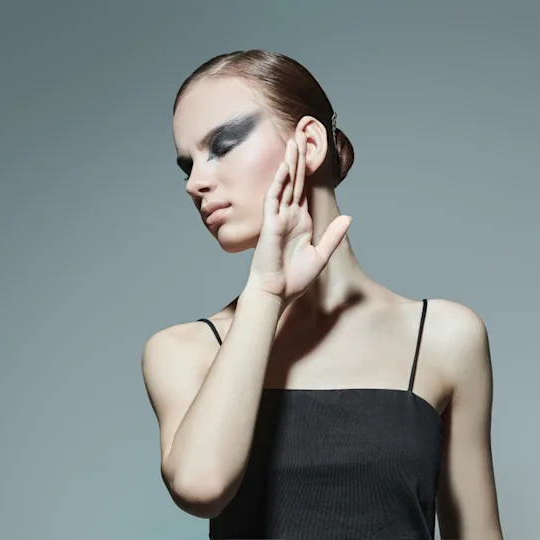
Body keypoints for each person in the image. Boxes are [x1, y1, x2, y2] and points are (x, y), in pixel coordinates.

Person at [141, 49, 504, 539]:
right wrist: (266, 291)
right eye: (187, 166)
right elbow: (201, 488)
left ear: (308, 143)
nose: (195, 183)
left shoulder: (444, 338)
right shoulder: (184, 350)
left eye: (222, 145)